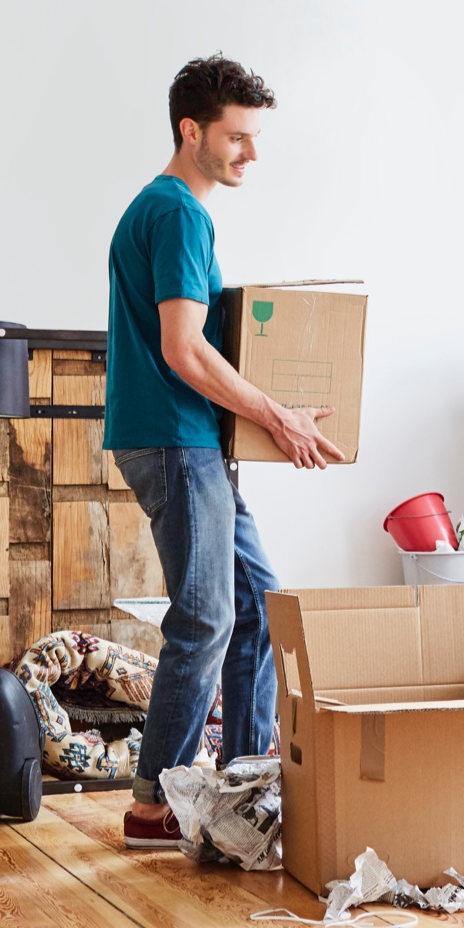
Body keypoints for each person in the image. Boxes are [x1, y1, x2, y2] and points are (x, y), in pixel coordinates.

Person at [104, 55, 345, 849]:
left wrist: (267, 415)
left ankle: (244, 781)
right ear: (192, 131)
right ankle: (154, 804)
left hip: (190, 439)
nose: (250, 154)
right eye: (238, 137)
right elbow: (184, 349)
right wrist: (278, 417)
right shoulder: (178, 212)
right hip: (175, 440)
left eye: (255, 138)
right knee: (207, 618)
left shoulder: (174, 209)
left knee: (257, 607)